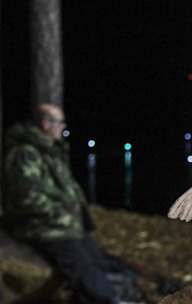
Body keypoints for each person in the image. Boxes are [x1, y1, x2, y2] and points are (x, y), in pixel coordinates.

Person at [2, 104, 133, 304]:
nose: (63, 127)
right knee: (81, 264)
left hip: (62, 225)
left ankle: (109, 296)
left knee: (97, 258)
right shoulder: (25, 154)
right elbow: (26, 198)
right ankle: (108, 301)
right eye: (60, 122)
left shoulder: (48, 151)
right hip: (42, 226)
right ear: (46, 124)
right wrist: (60, 215)